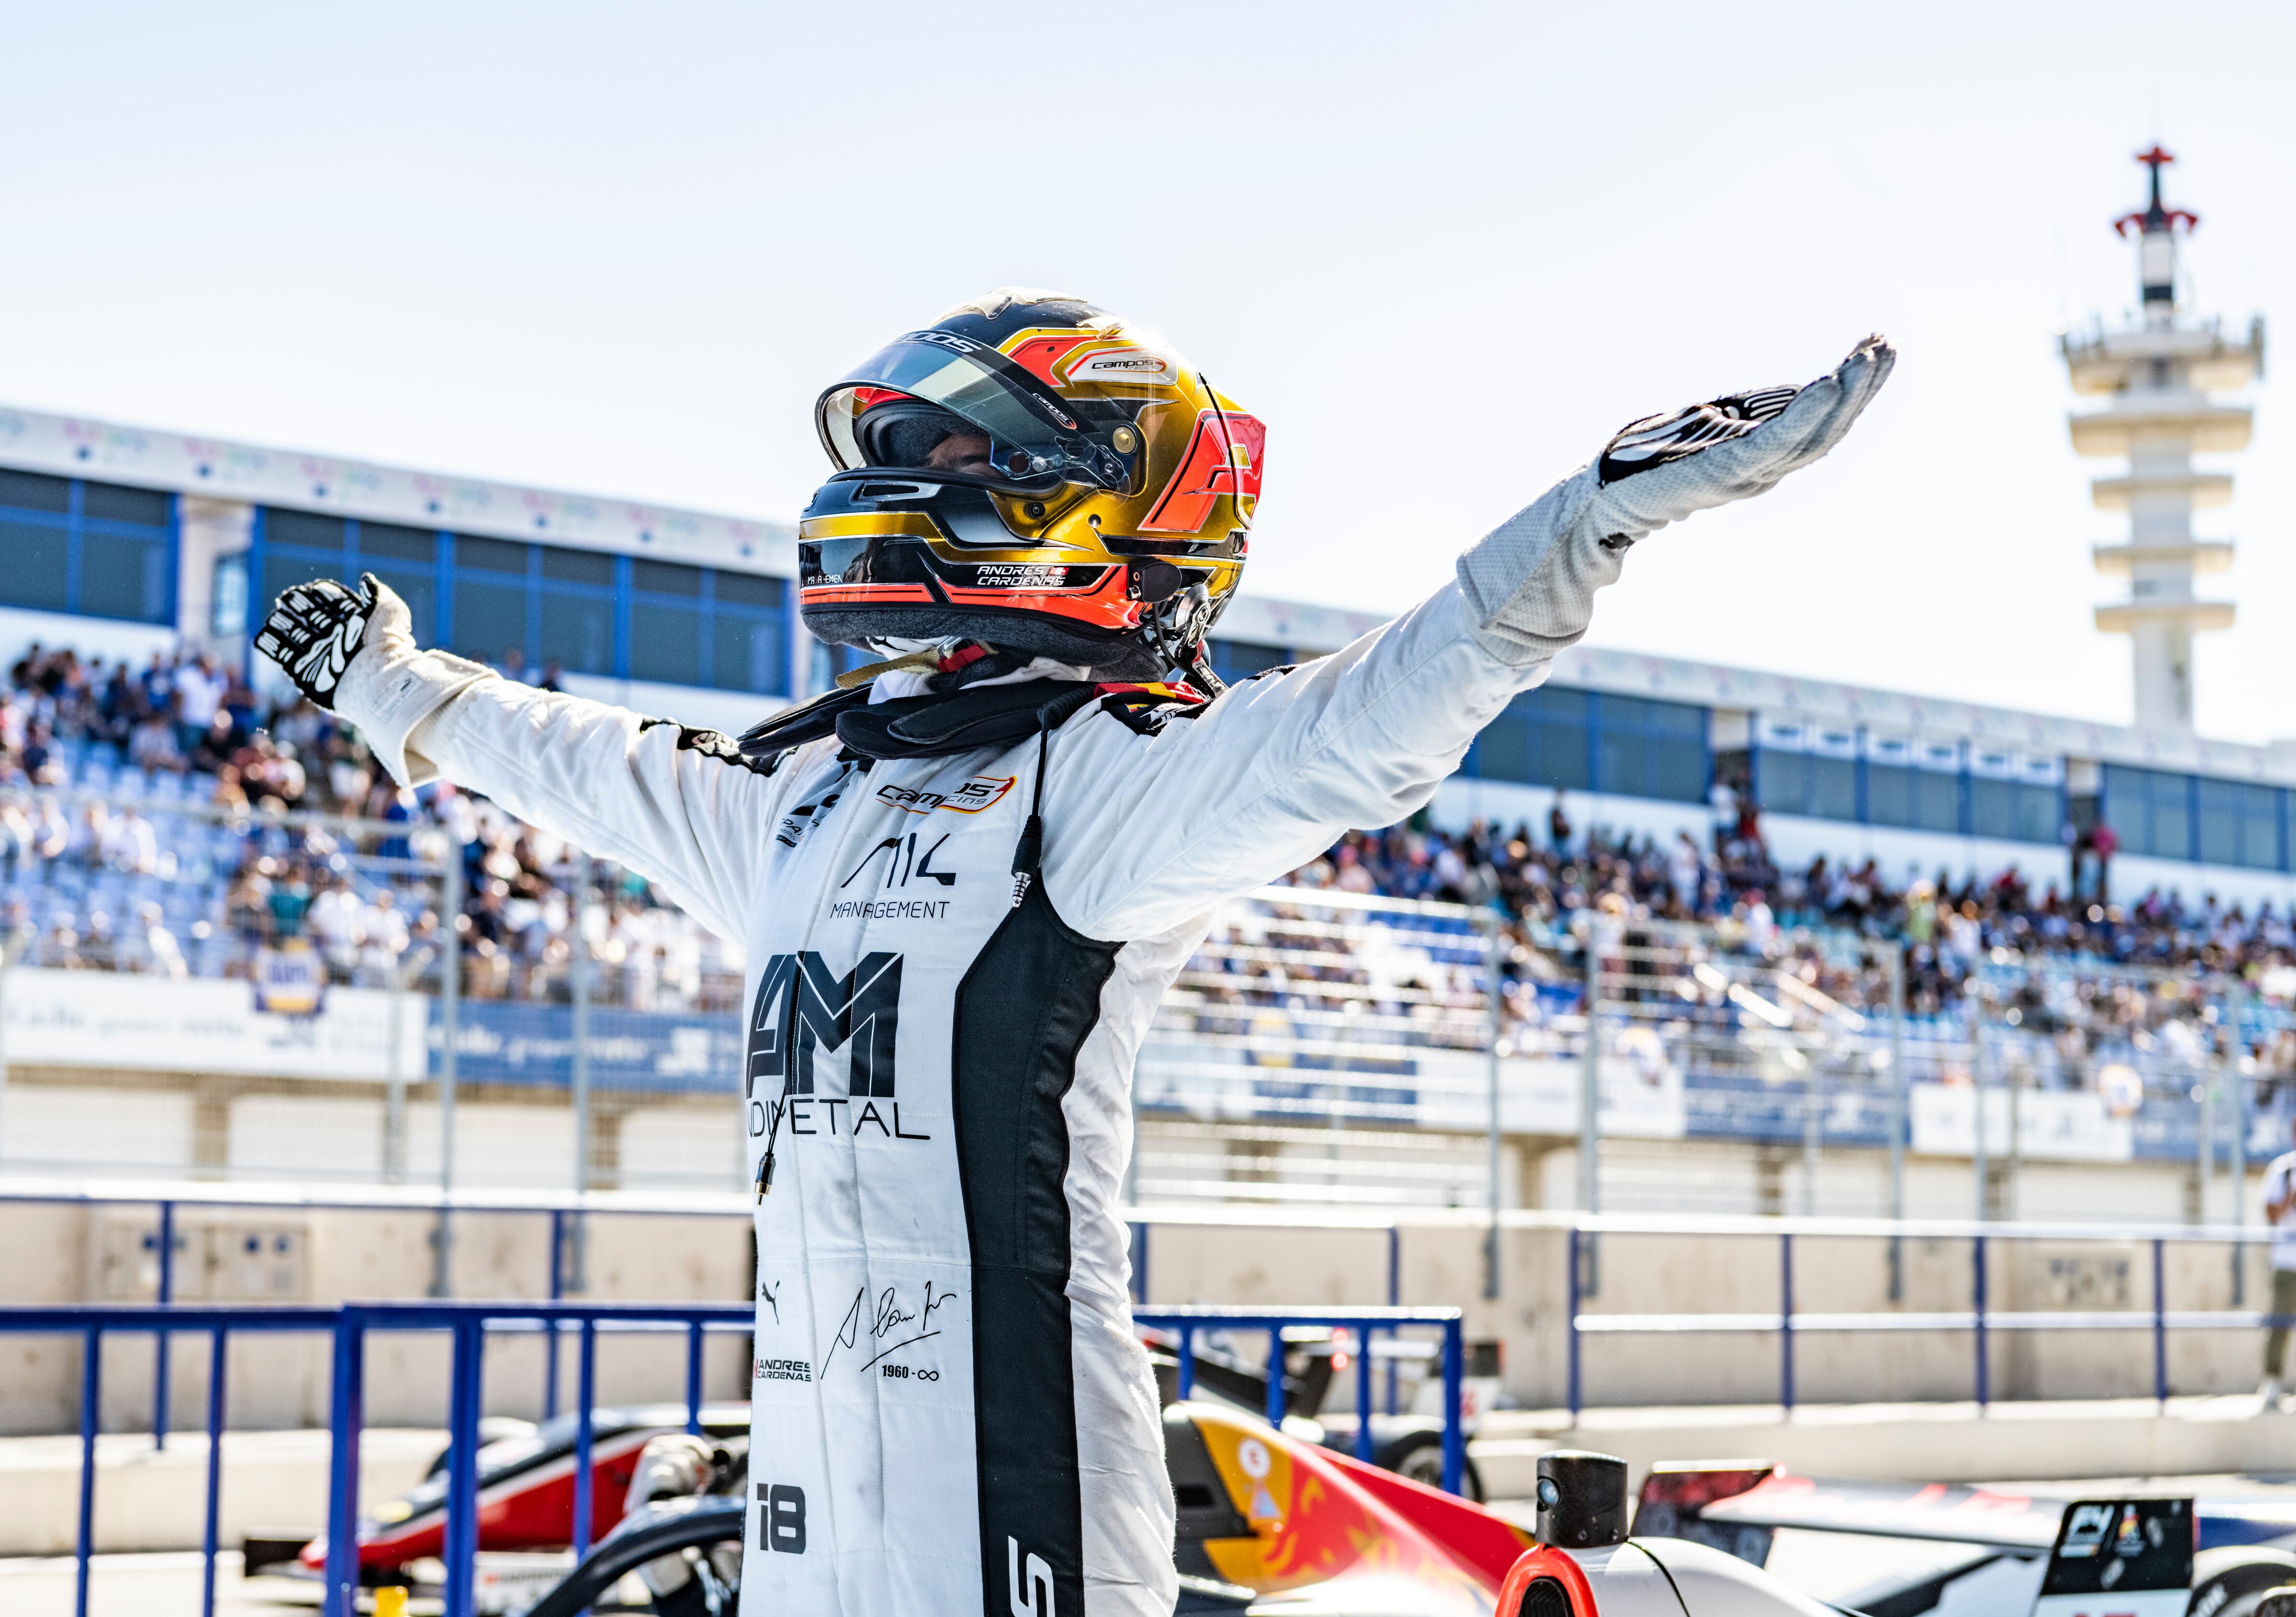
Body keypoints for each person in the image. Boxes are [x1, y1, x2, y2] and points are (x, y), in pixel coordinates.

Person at [258, 288, 1892, 1617]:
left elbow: (1376, 719)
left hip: (1019, 1515)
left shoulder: (1101, 782)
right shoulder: (798, 795)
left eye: (947, 459)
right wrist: (395, 690)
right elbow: (580, 761)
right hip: (809, 1520)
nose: (890, 486)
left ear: (1092, 511)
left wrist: (1592, 517)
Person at [2262, 1116, 2296, 1411]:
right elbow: (2271, 1214)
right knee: (2280, 1323)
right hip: (2287, 1262)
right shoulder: (2283, 1169)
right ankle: (2272, 1381)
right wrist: (2290, 1199)